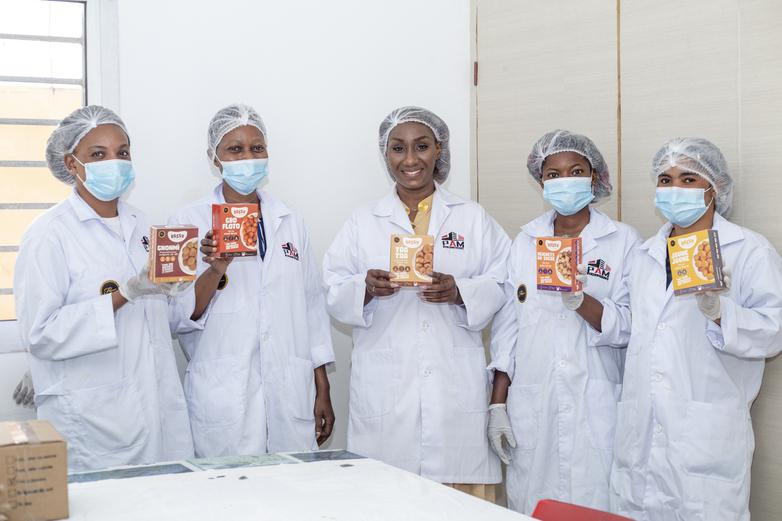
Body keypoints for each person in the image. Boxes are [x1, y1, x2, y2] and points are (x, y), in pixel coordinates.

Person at [323, 106, 510, 500]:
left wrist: (461, 292)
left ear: (437, 149)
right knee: (385, 499)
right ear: (385, 154)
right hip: (386, 401)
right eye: (398, 148)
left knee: (462, 504)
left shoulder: (472, 219)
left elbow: (504, 284)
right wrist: (366, 287)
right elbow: (333, 289)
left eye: (421, 146)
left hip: (453, 397)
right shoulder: (363, 221)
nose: (410, 159)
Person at [13, 105, 193, 472]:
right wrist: (127, 293)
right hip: (94, 419)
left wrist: (171, 287)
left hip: (156, 404)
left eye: (122, 152)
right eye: (99, 154)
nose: (115, 162)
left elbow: (159, 319)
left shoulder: (142, 224)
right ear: (71, 164)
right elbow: (42, 333)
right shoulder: (49, 235)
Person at [610, 137, 782, 521]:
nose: (675, 189)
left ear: (714, 187)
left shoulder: (749, 250)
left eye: (688, 178)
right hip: (641, 433)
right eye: (666, 179)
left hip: (706, 435)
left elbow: (774, 331)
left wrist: (720, 311)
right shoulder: (643, 255)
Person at [168, 104, 335, 457]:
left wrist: (321, 387)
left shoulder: (289, 220)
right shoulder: (187, 222)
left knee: (290, 499)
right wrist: (215, 268)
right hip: (224, 395)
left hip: (290, 388)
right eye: (235, 149)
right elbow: (179, 315)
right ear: (216, 158)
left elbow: (311, 309)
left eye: (256, 148)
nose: (248, 157)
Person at [488, 130, 640, 514]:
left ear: (595, 177)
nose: (564, 180)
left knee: (595, 506)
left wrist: (581, 301)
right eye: (553, 174)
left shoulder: (622, 241)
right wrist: (498, 406)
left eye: (576, 170)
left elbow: (631, 328)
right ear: (541, 181)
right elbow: (509, 329)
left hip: (598, 405)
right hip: (534, 405)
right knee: (535, 505)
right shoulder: (524, 242)